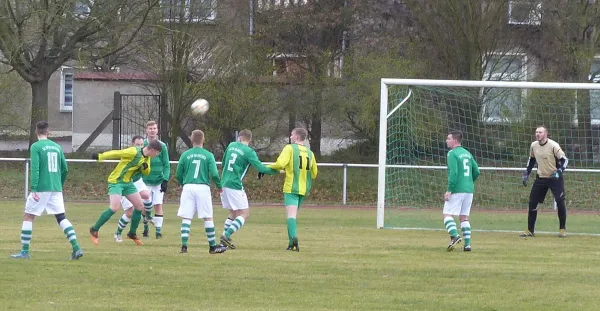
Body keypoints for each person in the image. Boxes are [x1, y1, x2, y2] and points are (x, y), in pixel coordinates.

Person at [11, 121, 84, 260]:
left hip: (41, 187)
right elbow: (65, 169)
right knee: (61, 217)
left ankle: (24, 252)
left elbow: (36, 168)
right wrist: (59, 184)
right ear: (48, 132)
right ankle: (76, 248)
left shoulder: (36, 146)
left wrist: (34, 188)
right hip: (56, 188)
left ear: (36, 131)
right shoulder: (57, 147)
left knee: (28, 216)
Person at [89, 140, 163, 246]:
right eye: (157, 153)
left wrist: (145, 168)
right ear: (153, 150)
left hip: (128, 183)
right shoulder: (133, 152)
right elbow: (117, 153)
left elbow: (146, 172)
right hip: (116, 181)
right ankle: (94, 229)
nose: (157, 155)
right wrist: (100, 156)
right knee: (114, 208)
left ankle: (132, 233)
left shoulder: (147, 158)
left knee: (139, 206)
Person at [219, 129, 279, 249]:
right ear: (249, 139)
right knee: (244, 213)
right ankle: (226, 235)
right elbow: (261, 168)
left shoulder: (231, 145)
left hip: (223, 183)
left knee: (233, 213)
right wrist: (277, 170)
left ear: (239, 138)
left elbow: (224, 162)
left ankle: (223, 243)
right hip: (235, 185)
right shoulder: (249, 152)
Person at [265, 128, 318, 251]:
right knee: (293, 215)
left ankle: (294, 238)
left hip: (291, 188)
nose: (290, 137)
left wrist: (266, 167)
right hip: (304, 189)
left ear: (297, 137)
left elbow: (279, 164)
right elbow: (314, 173)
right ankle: (291, 244)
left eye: (292, 135)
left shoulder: (289, 148)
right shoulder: (310, 153)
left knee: (291, 216)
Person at [176, 130, 227, 254]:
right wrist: (219, 186)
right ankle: (212, 247)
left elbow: (178, 173)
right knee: (208, 217)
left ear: (191, 140)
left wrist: (183, 183)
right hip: (202, 187)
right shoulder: (208, 155)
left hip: (188, 187)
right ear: (204, 140)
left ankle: (184, 246)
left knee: (187, 217)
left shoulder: (185, 155)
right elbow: (214, 174)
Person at [521, 126, 569, 238]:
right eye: (536, 132)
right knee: (532, 202)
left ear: (546, 134)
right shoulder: (533, 145)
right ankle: (530, 230)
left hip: (554, 178)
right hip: (541, 177)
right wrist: (526, 173)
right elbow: (531, 160)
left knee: (560, 201)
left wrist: (559, 172)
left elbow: (565, 160)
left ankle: (562, 229)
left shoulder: (553, 145)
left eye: (540, 132)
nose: (537, 134)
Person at [442, 130, 480, 252]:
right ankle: (467, 245)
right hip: (469, 189)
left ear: (455, 140)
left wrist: (449, 190)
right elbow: (477, 171)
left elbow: (453, 173)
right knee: (464, 217)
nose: (446, 141)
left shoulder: (452, 153)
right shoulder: (467, 153)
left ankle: (455, 236)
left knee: (447, 214)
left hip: (457, 189)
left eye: (448, 139)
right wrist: (469, 181)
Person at [113, 135, 152, 242]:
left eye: (141, 145)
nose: (140, 147)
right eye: (137, 145)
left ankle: (148, 215)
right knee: (130, 213)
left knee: (146, 195)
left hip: (137, 181)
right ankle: (118, 233)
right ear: (132, 145)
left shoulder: (145, 155)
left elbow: (146, 171)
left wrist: (145, 167)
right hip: (125, 183)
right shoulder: (129, 154)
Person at [141, 121, 170, 239]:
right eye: (150, 128)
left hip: (158, 181)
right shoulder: (142, 144)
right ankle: (145, 229)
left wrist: (165, 180)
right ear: (146, 130)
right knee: (145, 206)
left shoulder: (162, 146)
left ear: (157, 130)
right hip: (145, 180)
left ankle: (158, 232)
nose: (152, 130)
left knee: (158, 204)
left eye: (154, 128)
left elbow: (166, 165)